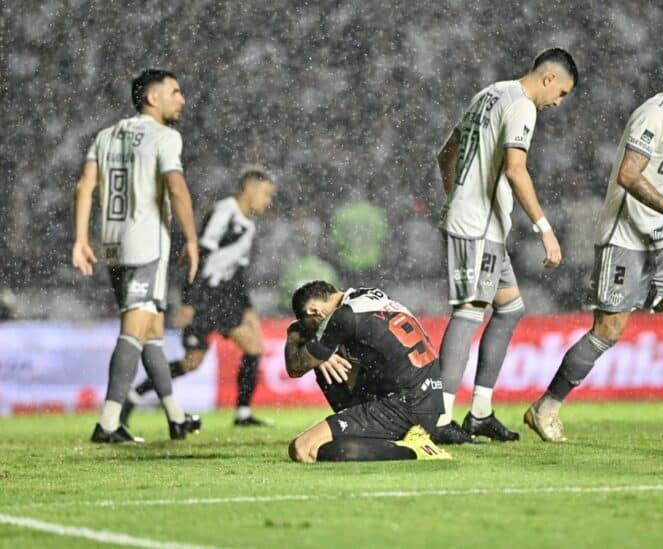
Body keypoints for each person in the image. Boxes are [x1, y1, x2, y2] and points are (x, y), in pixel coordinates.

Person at [524, 51, 663, 442]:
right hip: (624, 239)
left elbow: (659, 177)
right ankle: (544, 408)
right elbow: (628, 174)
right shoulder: (654, 115)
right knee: (608, 330)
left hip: (658, 238)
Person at [434, 48, 578, 443]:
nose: (558, 103)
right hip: (477, 226)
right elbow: (516, 169)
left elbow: (446, 153)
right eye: (562, 93)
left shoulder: (490, 93)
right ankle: (440, 418)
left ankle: (479, 412)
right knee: (467, 313)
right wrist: (544, 228)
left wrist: (456, 194)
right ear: (549, 78)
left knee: (511, 307)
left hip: (486, 225)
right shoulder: (522, 107)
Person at [72, 68, 201, 442]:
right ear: (152, 98)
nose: (182, 99)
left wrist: (81, 237)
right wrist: (191, 239)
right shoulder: (164, 137)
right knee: (133, 332)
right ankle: (108, 423)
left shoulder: (106, 135)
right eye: (175, 92)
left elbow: (85, 185)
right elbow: (176, 188)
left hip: (113, 246)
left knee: (151, 333)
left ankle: (176, 418)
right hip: (146, 246)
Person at [120, 167, 276, 427]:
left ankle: (243, 414)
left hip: (224, 299)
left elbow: (236, 271)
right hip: (205, 298)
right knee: (192, 362)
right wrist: (190, 302)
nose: (268, 201)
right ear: (249, 188)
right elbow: (199, 255)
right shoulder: (225, 211)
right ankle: (133, 395)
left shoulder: (247, 226)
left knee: (254, 347)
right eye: (266, 193)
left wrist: (247, 308)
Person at [284, 281, 451, 462]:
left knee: (304, 449)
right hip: (427, 404)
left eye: (311, 325)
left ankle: (414, 450)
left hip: (403, 406)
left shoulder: (343, 317)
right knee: (325, 365)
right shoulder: (369, 297)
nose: (315, 331)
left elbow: (295, 367)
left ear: (313, 310)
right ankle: (370, 432)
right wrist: (321, 357)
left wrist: (294, 330)